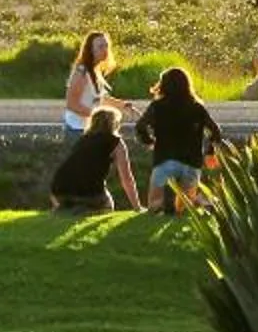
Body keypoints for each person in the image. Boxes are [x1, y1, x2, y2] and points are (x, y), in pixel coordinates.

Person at [62, 31, 141, 207]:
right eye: (100, 46)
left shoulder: (96, 71)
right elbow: (71, 104)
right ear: (90, 49)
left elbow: (100, 99)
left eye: (106, 45)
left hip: (91, 130)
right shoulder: (82, 71)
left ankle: (87, 205)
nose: (104, 49)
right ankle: (76, 206)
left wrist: (122, 105)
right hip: (77, 129)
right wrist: (97, 117)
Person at [133, 66, 225, 214]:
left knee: (154, 206)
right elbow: (215, 131)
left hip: (165, 160)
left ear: (163, 85)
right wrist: (209, 152)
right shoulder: (196, 108)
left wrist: (150, 142)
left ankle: (170, 203)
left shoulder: (158, 106)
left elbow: (140, 127)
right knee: (182, 208)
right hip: (191, 162)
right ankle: (200, 200)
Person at [49, 106, 124, 212]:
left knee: (72, 202)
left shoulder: (83, 140)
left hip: (59, 189)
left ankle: (65, 209)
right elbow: (127, 178)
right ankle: (84, 209)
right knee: (108, 207)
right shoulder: (115, 141)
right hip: (89, 191)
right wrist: (137, 206)